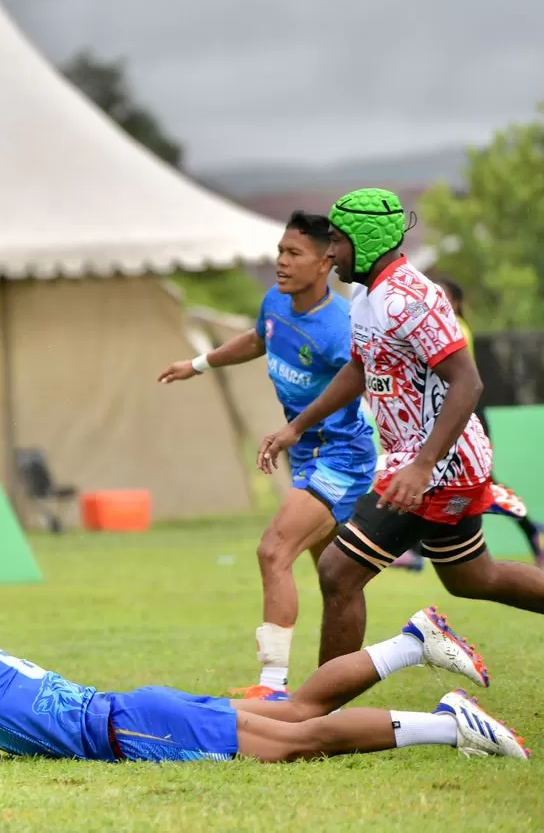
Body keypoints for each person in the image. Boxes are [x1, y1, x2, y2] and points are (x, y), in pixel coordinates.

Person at [258, 188, 544, 666]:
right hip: (422, 464)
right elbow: (358, 367)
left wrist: (422, 466)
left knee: (337, 571)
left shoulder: (410, 298)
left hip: (437, 468)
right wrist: (298, 428)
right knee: (473, 577)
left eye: (337, 242)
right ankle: (324, 708)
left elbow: (467, 382)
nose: (330, 253)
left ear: (365, 241)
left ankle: (320, 711)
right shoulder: (366, 294)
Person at [0, 558, 527, 764]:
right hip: (133, 708)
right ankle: (411, 642)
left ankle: (451, 723)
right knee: (295, 711)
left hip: (131, 730)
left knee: (301, 740)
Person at [159, 211, 376, 699]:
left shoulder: (340, 327)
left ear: (325, 263)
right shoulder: (276, 301)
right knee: (338, 579)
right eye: (280, 250)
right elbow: (260, 339)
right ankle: (330, 696)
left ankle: (272, 688)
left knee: (273, 551)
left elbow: (357, 381)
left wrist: (293, 428)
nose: (281, 261)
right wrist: (198, 363)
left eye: (294, 253)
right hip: (308, 454)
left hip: (340, 456)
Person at [391, 277, 544, 571]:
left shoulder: (457, 329)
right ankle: (413, 551)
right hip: (440, 418)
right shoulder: (435, 327)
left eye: (441, 296)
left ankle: (526, 525)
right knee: (428, 477)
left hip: (463, 417)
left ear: (457, 303)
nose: (433, 302)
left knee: (478, 484)